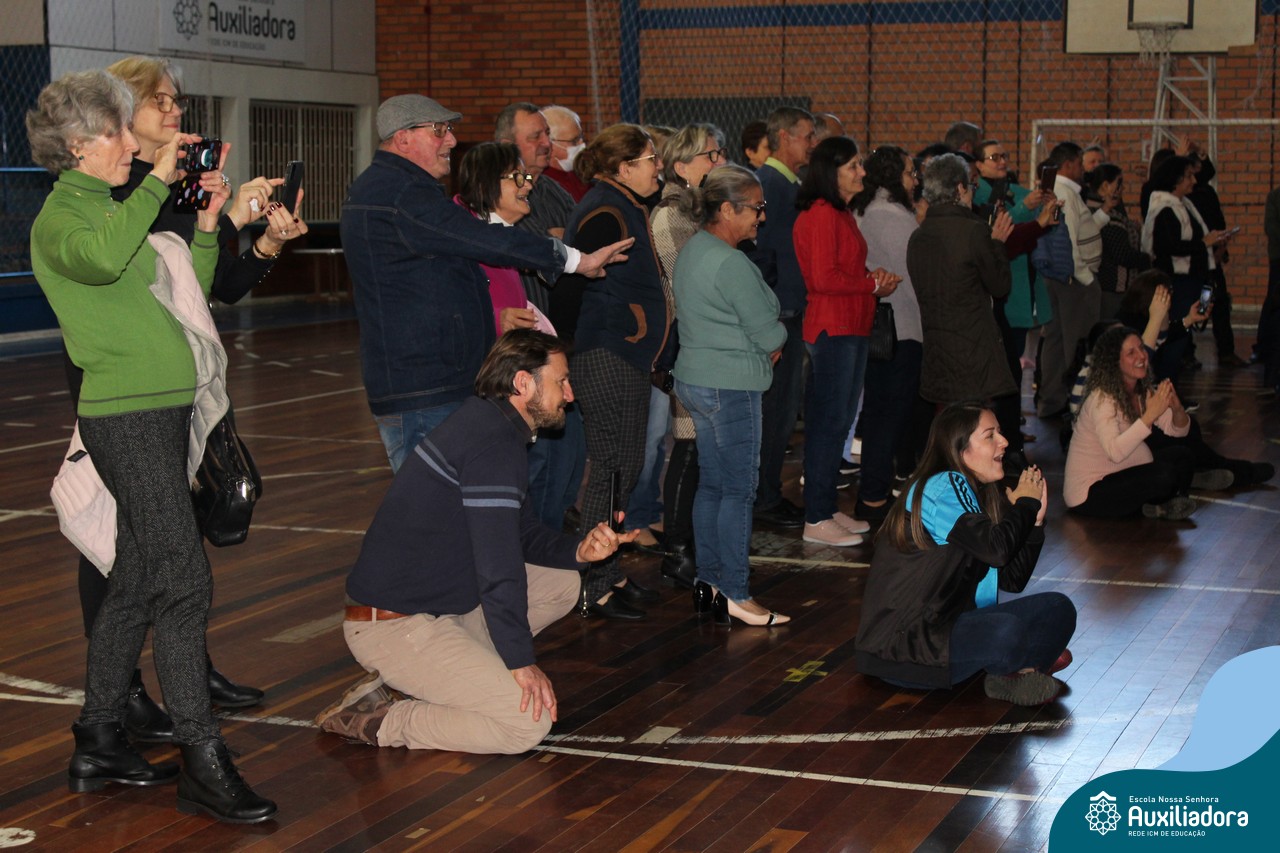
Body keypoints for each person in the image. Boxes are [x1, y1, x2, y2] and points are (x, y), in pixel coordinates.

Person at [28, 70, 274, 822]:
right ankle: (202, 756)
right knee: (183, 580)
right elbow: (102, 262)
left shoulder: (115, 208)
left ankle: (98, 735)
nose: (131, 146)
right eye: (117, 133)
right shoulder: (61, 220)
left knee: (136, 578)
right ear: (78, 145)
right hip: (127, 418)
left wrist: (206, 226)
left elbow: (186, 289)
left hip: (166, 412)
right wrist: (158, 184)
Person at [77, 56, 306, 727]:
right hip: (122, 378)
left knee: (172, 532)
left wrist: (261, 239)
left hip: (174, 373)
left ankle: (187, 666)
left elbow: (214, 287)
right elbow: (138, 265)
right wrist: (224, 215)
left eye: (176, 101)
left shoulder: (173, 182)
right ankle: (121, 689)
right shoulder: (113, 185)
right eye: (160, 101)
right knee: (113, 533)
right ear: (123, 110)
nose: (175, 111)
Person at [316, 331, 636, 753]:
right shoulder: (492, 445)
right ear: (523, 383)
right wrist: (521, 662)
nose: (570, 394)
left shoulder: (494, 427)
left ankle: (448, 674)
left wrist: (579, 550)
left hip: (440, 608)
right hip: (394, 626)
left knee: (562, 583)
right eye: (561, 381)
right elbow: (498, 568)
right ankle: (379, 719)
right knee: (526, 725)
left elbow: (521, 534)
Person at [340, 94, 632, 472]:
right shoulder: (401, 194)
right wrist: (576, 260)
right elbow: (483, 239)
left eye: (450, 130)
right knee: (435, 500)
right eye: (439, 131)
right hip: (424, 386)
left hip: (427, 379)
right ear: (403, 137)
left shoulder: (393, 189)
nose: (451, 140)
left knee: (451, 497)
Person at [856, 403, 1074, 706]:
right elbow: (996, 551)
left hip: (946, 631)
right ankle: (1019, 665)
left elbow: (1011, 580)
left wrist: (1034, 524)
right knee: (1006, 631)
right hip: (904, 648)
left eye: (1000, 433)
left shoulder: (975, 494)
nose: (1004, 441)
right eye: (990, 435)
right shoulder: (942, 487)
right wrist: (1025, 505)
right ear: (960, 450)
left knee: (1057, 607)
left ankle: (1014, 672)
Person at [561, 124, 671, 620]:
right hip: (606, 352)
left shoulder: (622, 204)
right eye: (651, 159)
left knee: (621, 465)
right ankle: (593, 582)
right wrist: (570, 346)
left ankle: (607, 570)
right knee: (612, 465)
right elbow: (571, 282)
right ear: (624, 168)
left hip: (622, 351)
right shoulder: (606, 211)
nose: (659, 167)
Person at [673, 165, 790, 626]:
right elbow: (769, 332)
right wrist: (778, 335)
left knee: (713, 486)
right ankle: (737, 592)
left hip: (697, 380)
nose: (762, 216)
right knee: (738, 491)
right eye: (756, 208)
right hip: (731, 385)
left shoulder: (693, 249)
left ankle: (709, 584)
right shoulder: (731, 262)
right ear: (726, 209)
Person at [455, 142, 586, 532]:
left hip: (519, 369)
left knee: (561, 453)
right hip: (492, 380)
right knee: (533, 465)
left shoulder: (499, 233)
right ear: (487, 182)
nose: (528, 184)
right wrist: (495, 317)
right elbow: (448, 301)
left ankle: (542, 540)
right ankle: (530, 545)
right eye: (518, 177)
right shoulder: (464, 233)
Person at [793, 136, 899, 546]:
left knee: (836, 424)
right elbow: (823, 279)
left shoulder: (840, 212)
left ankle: (824, 507)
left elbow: (844, 271)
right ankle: (816, 517)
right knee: (828, 424)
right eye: (853, 165)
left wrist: (873, 279)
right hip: (833, 329)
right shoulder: (821, 213)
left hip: (850, 326)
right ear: (830, 172)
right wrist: (871, 285)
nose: (862, 172)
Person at [645, 123, 730, 586]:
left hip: (710, 341)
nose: (720, 162)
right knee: (690, 443)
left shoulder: (701, 210)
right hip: (691, 343)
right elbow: (688, 284)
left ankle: (694, 542)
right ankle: (677, 551)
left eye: (720, 153)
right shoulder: (671, 214)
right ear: (681, 166)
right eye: (710, 155)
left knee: (703, 445)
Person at [908, 154, 1022, 466]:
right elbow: (1000, 286)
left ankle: (946, 479)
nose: (972, 192)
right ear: (960, 188)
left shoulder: (918, 236)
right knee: (972, 430)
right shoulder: (973, 232)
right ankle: (972, 483)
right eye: (970, 186)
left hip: (936, 346)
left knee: (950, 425)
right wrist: (997, 244)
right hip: (973, 348)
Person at [750, 106, 818, 530]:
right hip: (779, 314)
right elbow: (761, 255)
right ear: (784, 138)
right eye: (807, 136)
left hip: (789, 311)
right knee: (774, 411)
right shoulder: (770, 185)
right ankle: (763, 497)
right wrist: (772, 311)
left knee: (783, 411)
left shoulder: (789, 184)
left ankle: (769, 491)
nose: (812, 144)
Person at [851, 145, 925, 522]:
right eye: (910, 173)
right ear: (894, 176)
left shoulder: (865, 208)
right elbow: (914, 278)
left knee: (881, 414)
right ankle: (874, 498)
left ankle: (874, 494)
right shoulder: (892, 216)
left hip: (882, 325)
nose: (915, 180)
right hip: (901, 327)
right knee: (887, 417)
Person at [1064, 326, 1198, 519]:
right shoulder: (1102, 399)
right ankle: (1161, 503)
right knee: (1164, 475)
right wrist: (1149, 416)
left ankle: (1163, 504)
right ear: (1114, 362)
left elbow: (1179, 431)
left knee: (1183, 456)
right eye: (1131, 353)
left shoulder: (1141, 391)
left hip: (1122, 473)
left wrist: (1177, 408)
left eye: (1141, 348)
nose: (1142, 356)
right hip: (1090, 493)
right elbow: (1115, 452)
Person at [1140, 154, 1230, 380]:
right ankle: (1163, 383)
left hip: (1192, 279)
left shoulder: (1184, 204)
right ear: (1176, 180)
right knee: (1174, 336)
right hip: (1177, 282)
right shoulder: (1165, 208)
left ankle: (1171, 384)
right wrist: (1204, 243)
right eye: (1189, 176)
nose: (1193, 181)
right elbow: (1167, 246)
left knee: (1185, 332)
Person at [1085, 162, 1150, 320]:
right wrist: (1147, 259)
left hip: (1109, 287)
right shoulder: (1103, 214)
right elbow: (1121, 253)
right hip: (1112, 288)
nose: (1123, 189)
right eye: (1119, 183)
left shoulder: (1104, 211)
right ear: (1106, 186)